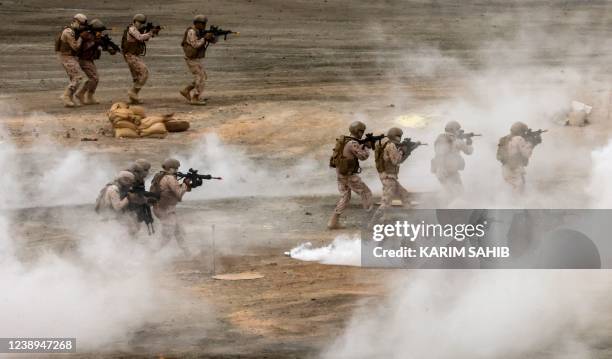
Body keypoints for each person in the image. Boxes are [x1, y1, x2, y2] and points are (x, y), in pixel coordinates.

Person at [328, 121, 373, 229]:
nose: (362, 133)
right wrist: (367, 147)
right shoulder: (353, 143)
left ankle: (333, 222)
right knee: (366, 193)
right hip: (348, 176)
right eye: (361, 131)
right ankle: (371, 221)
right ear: (358, 131)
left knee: (345, 197)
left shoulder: (345, 140)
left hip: (341, 174)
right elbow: (363, 157)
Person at [372, 127, 418, 220]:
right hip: (388, 177)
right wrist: (402, 150)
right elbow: (396, 161)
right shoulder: (391, 146)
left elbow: (400, 161)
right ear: (395, 136)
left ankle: (410, 219)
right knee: (386, 202)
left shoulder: (389, 145)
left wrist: (409, 150)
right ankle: (373, 223)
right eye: (399, 136)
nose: (400, 138)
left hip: (390, 177)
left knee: (405, 195)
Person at [150, 158, 192, 256]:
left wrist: (184, 184)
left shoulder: (159, 176)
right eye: (175, 168)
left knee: (179, 231)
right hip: (165, 210)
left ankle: (187, 253)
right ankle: (150, 252)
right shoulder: (170, 178)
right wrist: (185, 184)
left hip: (162, 208)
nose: (177, 171)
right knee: (167, 235)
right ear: (171, 168)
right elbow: (179, 194)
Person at [75, 18, 117, 105]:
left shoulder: (96, 37)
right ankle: (82, 94)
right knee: (94, 78)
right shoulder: (85, 36)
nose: (100, 33)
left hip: (89, 59)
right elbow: (80, 46)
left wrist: (109, 49)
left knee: (94, 78)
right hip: (84, 59)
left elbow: (102, 46)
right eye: (99, 31)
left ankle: (87, 96)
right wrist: (96, 43)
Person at [121, 13, 159, 104]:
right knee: (144, 73)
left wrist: (151, 33)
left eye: (142, 23)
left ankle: (133, 97)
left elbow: (143, 38)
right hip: (131, 55)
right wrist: (150, 33)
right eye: (139, 22)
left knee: (138, 76)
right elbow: (139, 37)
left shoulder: (136, 29)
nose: (140, 24)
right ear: (134, 22)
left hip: (134, 55)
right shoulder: (132, 29)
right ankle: (133, 92)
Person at [180, 14, 217, 105]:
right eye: (202, 23)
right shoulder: (192, 32)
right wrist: (205, 38)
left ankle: (186, 90)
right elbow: (195, 45)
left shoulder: (199, 31)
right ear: (197, 23)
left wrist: (212, 37)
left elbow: (213, 41)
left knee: (202, 76)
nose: (204, 25)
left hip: (195, 58)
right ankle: (195, 98)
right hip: (191, 59)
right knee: (201, 77)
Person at [430, 121, 473, 199]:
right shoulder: (457, 141)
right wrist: (469, 142)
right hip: (450, 172)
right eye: (458, 130)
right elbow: (469, 151)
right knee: (459, 194)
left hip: (439, 171)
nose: (459, 132)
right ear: (454, 130)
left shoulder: (440, 138)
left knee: (449, 193)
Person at [497, 122, 542, 193]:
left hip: (506, 168)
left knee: (509, 189)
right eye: (524, 131)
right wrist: (533, 142)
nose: (525, 133)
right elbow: (526, 153)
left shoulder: (505, 138)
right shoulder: (519, 139)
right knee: (518, 191)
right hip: (515, 168)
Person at [95, 171, 145, 235]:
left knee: (134, 226)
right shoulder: (113, 189)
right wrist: (129, 197)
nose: (130, 185)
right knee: (131, 229)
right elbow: (117, 207)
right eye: (130, 182)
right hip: (109, 219)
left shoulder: (117, 187)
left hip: (111, 217)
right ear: (125, 180)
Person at [55, 13, 87, 107]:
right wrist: (81, 37)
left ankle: (70, 98)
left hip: (69, 57)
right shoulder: (68, 32)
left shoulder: (73, 31)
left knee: (75, 78)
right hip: (66, 57)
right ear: (76, 21)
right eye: (81, 24)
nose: (82, 26)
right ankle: (66, 96)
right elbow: (76, 47)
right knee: (77, 78)